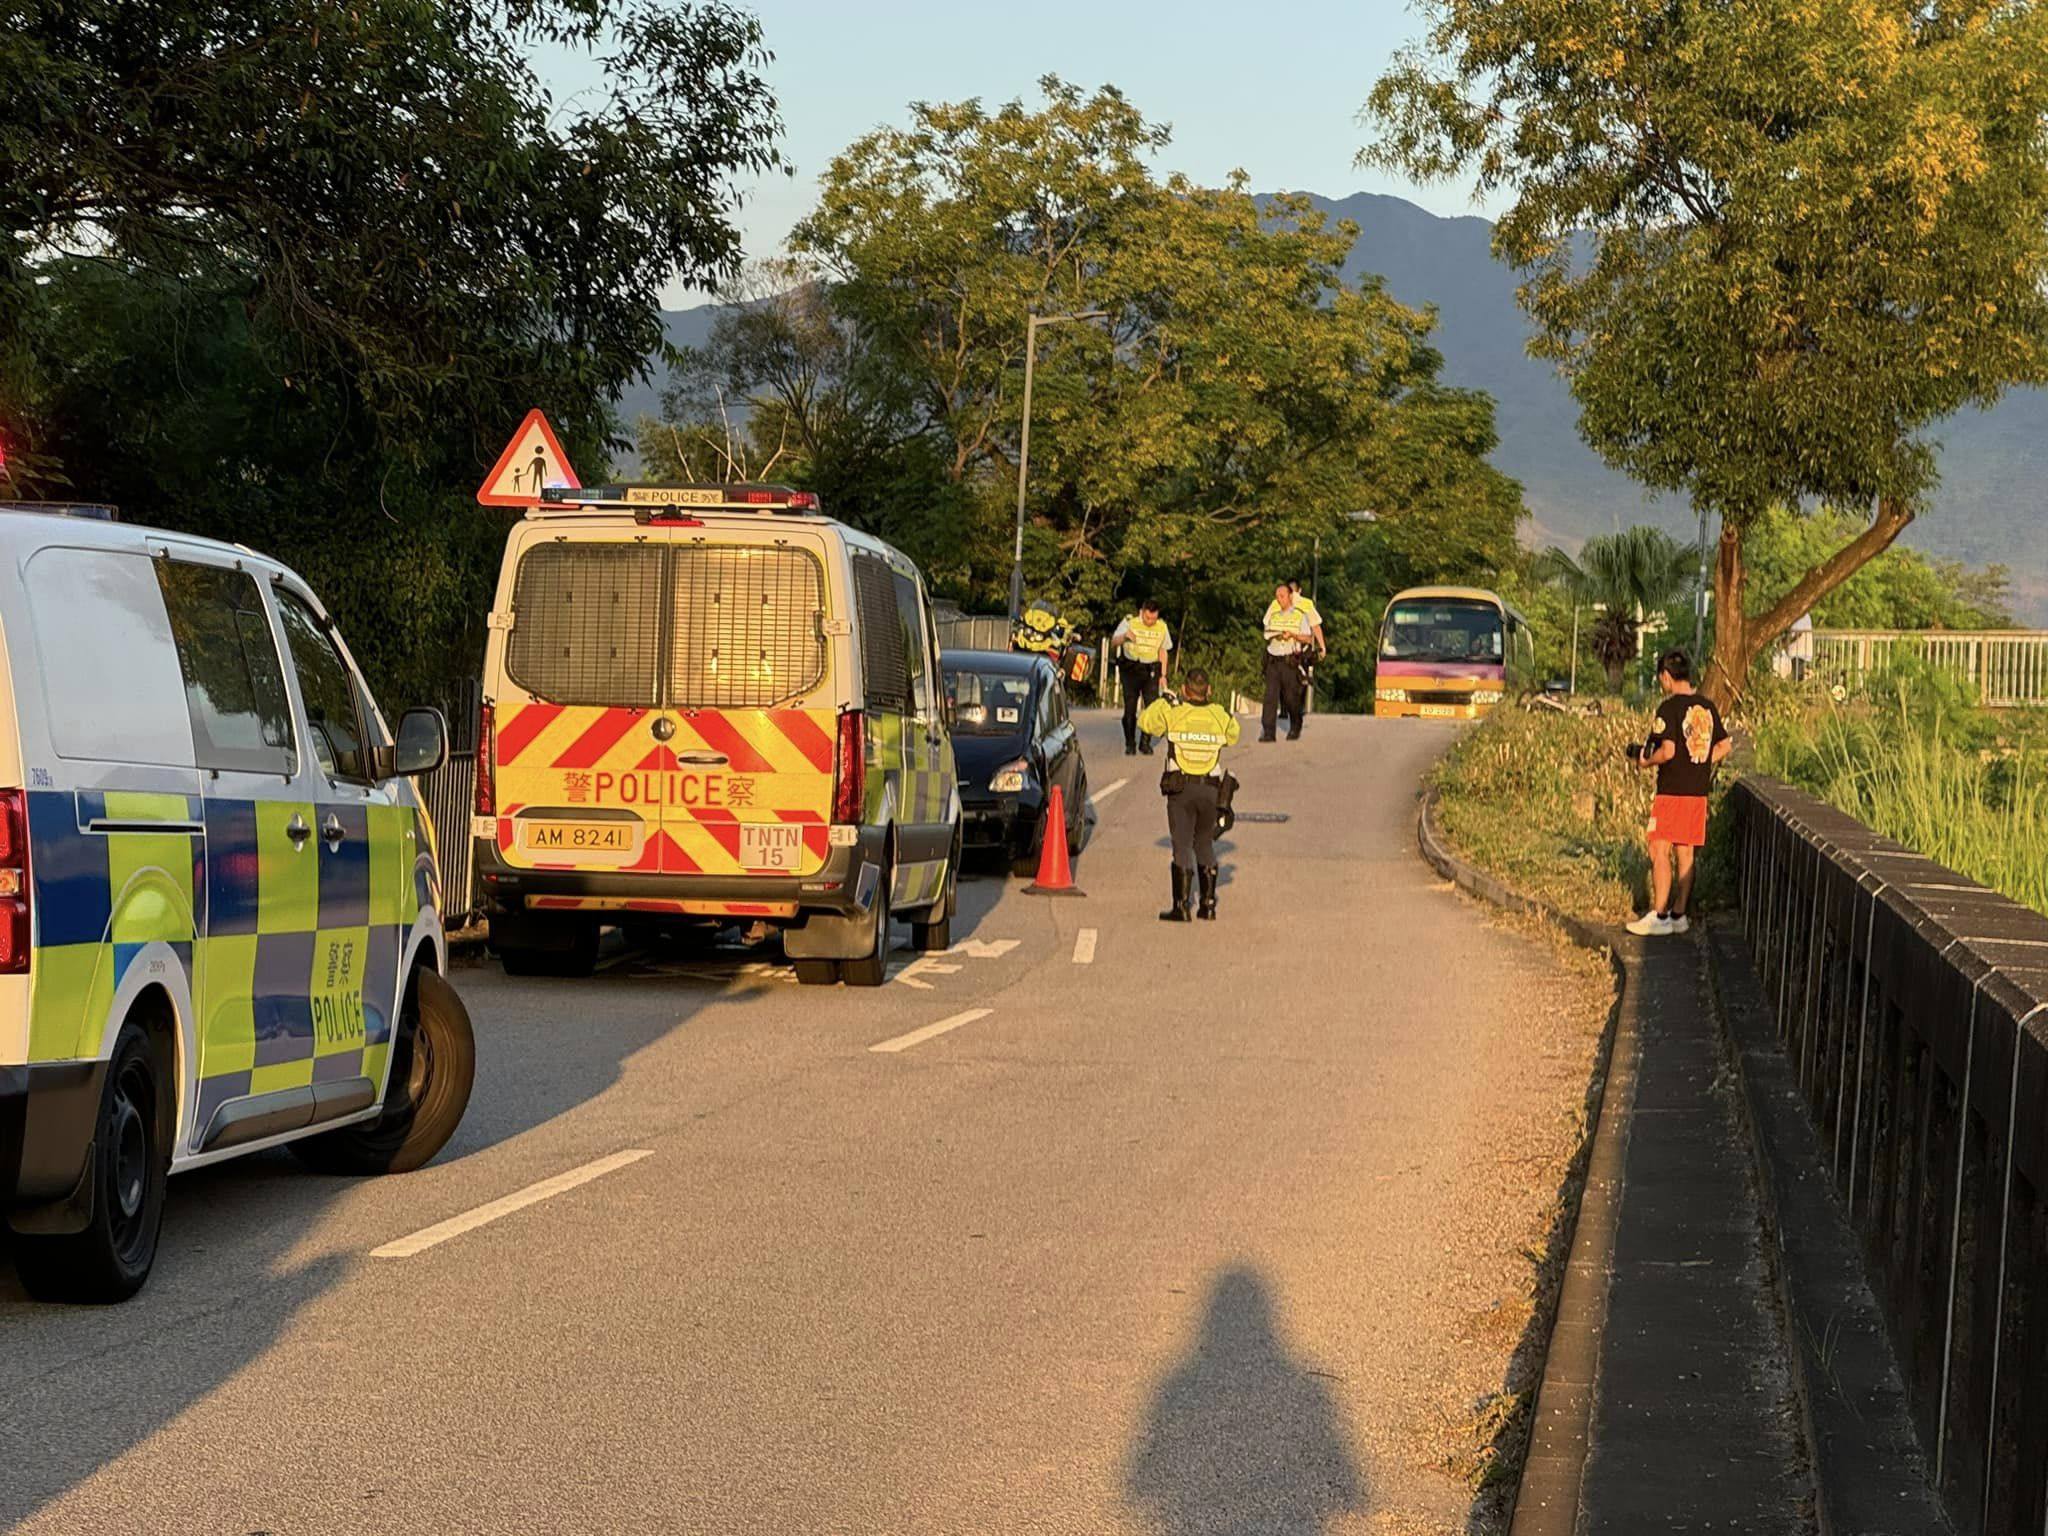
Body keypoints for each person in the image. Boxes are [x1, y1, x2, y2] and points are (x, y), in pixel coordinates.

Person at [1627, 648, 1732, 937]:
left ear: (1666, 676)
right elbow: (1724, 746)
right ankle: (1679, 914)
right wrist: (1698, 761)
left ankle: (1659, 915)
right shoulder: (1707, 708)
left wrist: (1646, 760)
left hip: (1671, 792)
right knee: (1685, 852)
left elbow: (1668, 751)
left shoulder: (1668, 709)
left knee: (1658, 847)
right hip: (1697, 792)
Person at [1139, 669, 1240, 922]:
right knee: (1204, 843)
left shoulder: (1174, 713)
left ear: (1184, 690)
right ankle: (1207, 905)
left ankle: (1181, 907)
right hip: (1211, 790)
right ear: (1208, 690)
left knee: (1182, 846)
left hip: (1181, 790)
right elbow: (1234, 735)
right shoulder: (1219, 714)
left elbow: (1145, 722)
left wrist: (1165, 700)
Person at [1259, 582, 1324, 741]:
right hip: (1273, 658)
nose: (1278, 600)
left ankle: (1296, 724)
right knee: (1270, 696)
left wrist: (1293, 635)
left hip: (1290, 660)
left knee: (1290, 697)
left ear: (1290, 596)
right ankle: (1268, 732)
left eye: (1281, 596)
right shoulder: (1274, 615)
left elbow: (1308, 638)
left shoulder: (1299, 615)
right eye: (1277, 597)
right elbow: (1266, 632)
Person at [1110, 598, 1173, 756]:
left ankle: (1145, 743)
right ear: (1141, 613)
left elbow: (1163, 651)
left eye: (1154, 618)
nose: (1150, 621)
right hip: (1131, 669)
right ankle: (1130, 743)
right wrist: (1125, 636)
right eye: (1147, 618)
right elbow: (1114, 642)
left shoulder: (1162, 627)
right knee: (1130, 708)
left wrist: (1163, 675)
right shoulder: (1129, 621)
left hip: (1151, 670)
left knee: (1151, 708)